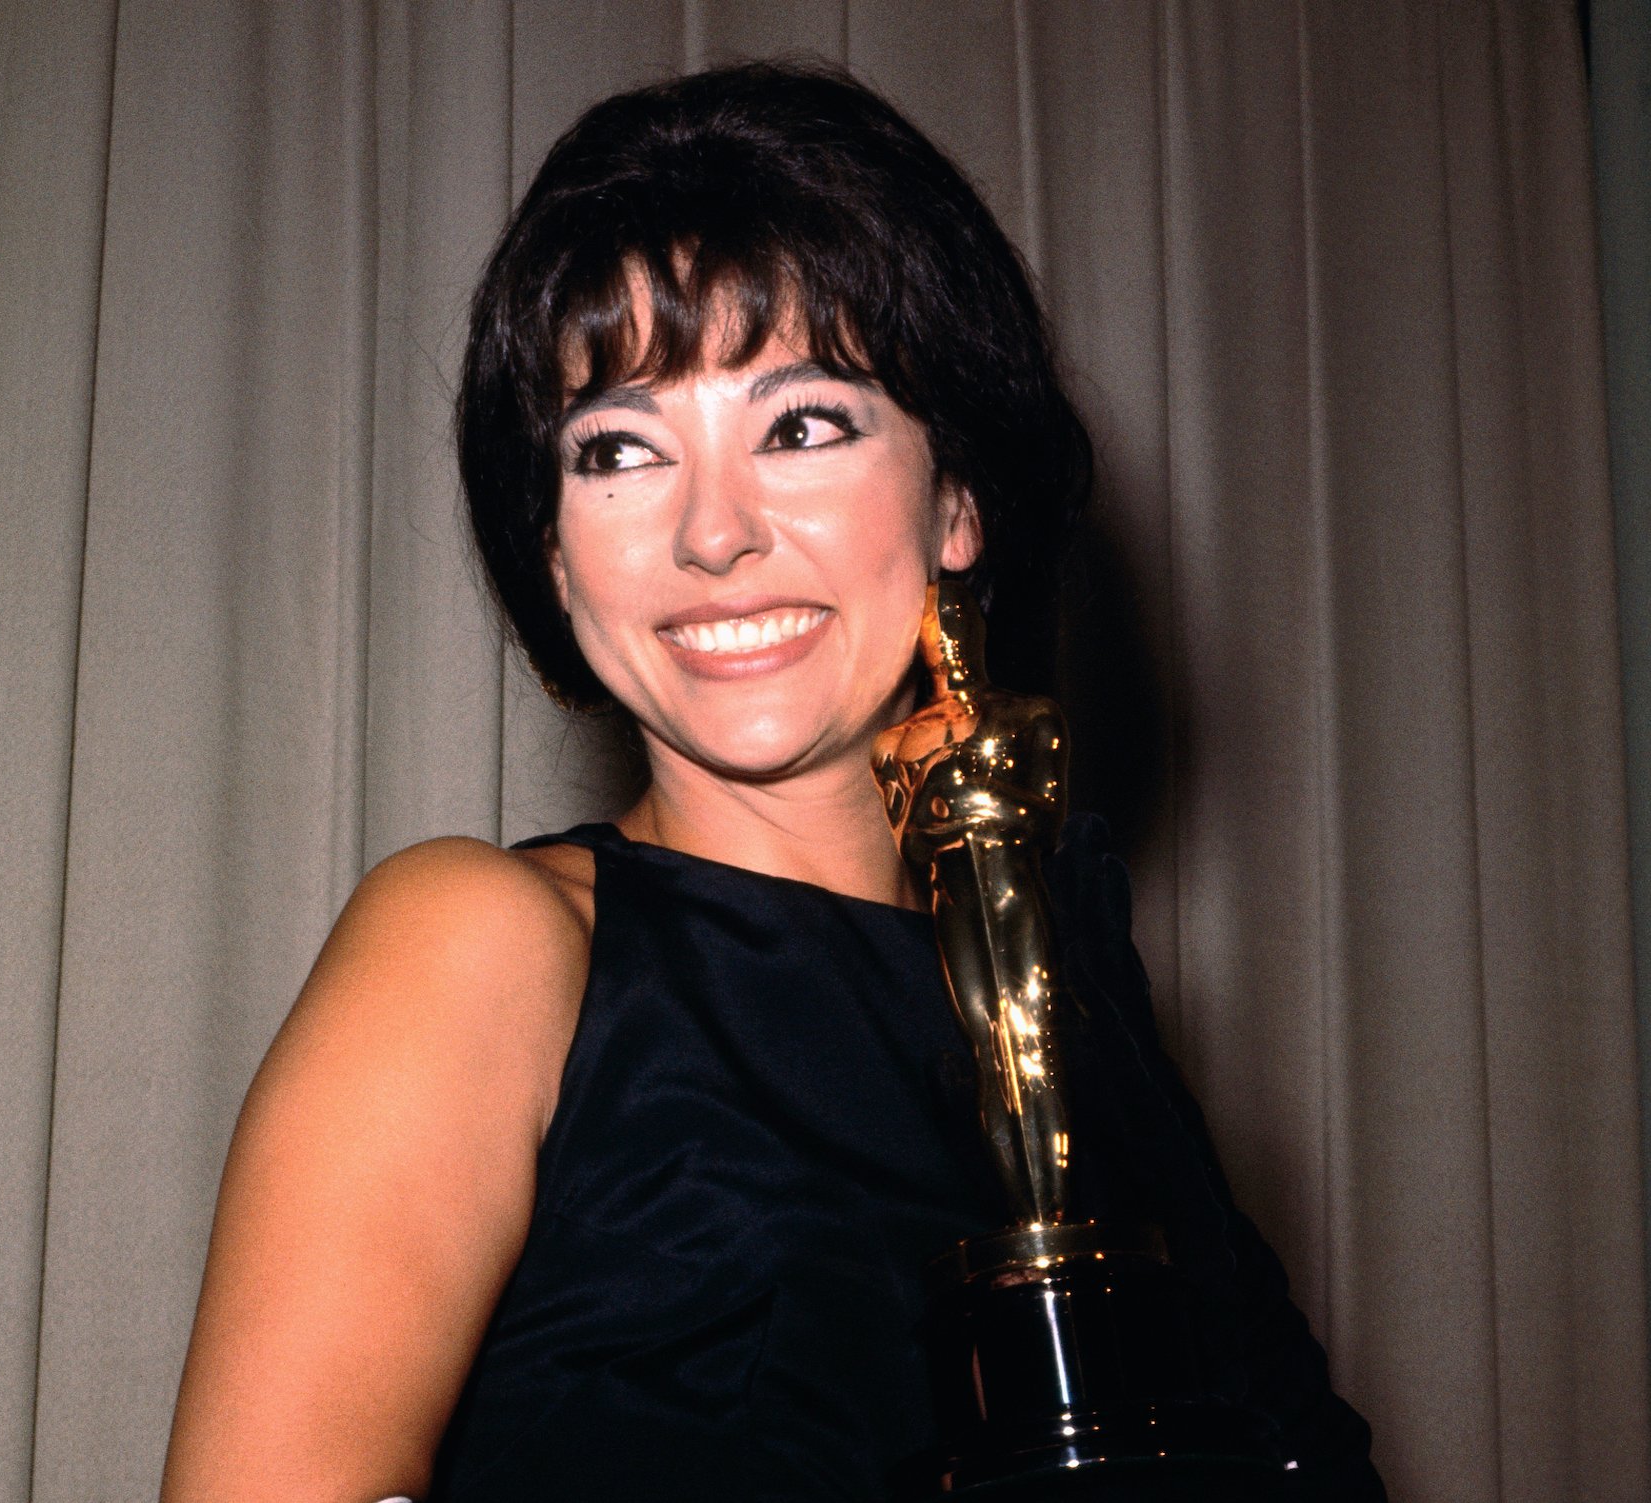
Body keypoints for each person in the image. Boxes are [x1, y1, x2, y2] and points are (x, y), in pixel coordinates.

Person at [160, 62, 1385, 1503]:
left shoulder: (1062, 985)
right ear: (553, 554)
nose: (711, 533)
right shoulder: (481, 946)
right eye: (618, 451)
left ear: (959, 499)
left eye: (801, 426)